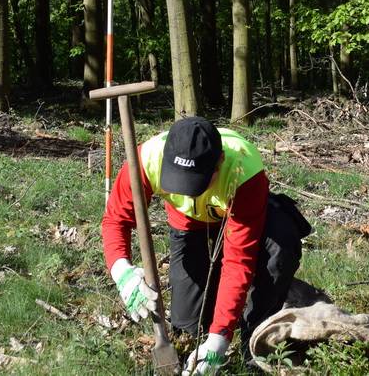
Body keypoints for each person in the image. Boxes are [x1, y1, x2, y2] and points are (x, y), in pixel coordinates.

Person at [101, 116, 310, 374]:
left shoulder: (244, 171)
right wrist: (122, 272)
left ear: (219, 163)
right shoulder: (146, 159)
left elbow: (237, 262)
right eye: (179, 180)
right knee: (188, 327)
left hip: (237, 217)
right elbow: (116, 220)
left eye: (195, 182)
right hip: (187, 225)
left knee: (280, 246)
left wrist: (220, 338)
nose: (187, 192)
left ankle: (256, 342)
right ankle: (209, 321)